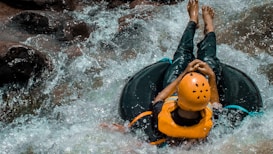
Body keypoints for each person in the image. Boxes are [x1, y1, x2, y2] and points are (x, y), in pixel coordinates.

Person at [102, 0, 223, 147]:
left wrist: (183, 75)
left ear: (179, 96)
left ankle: (193, 22)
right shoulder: (208, 122)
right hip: (194, 94)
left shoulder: (163, 117)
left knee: (182, 56)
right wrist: (211, 76)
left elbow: (159, 98)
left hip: (181, 94)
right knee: (209, 63)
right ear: (205, 103)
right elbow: (216, 103)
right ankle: (209, 28)